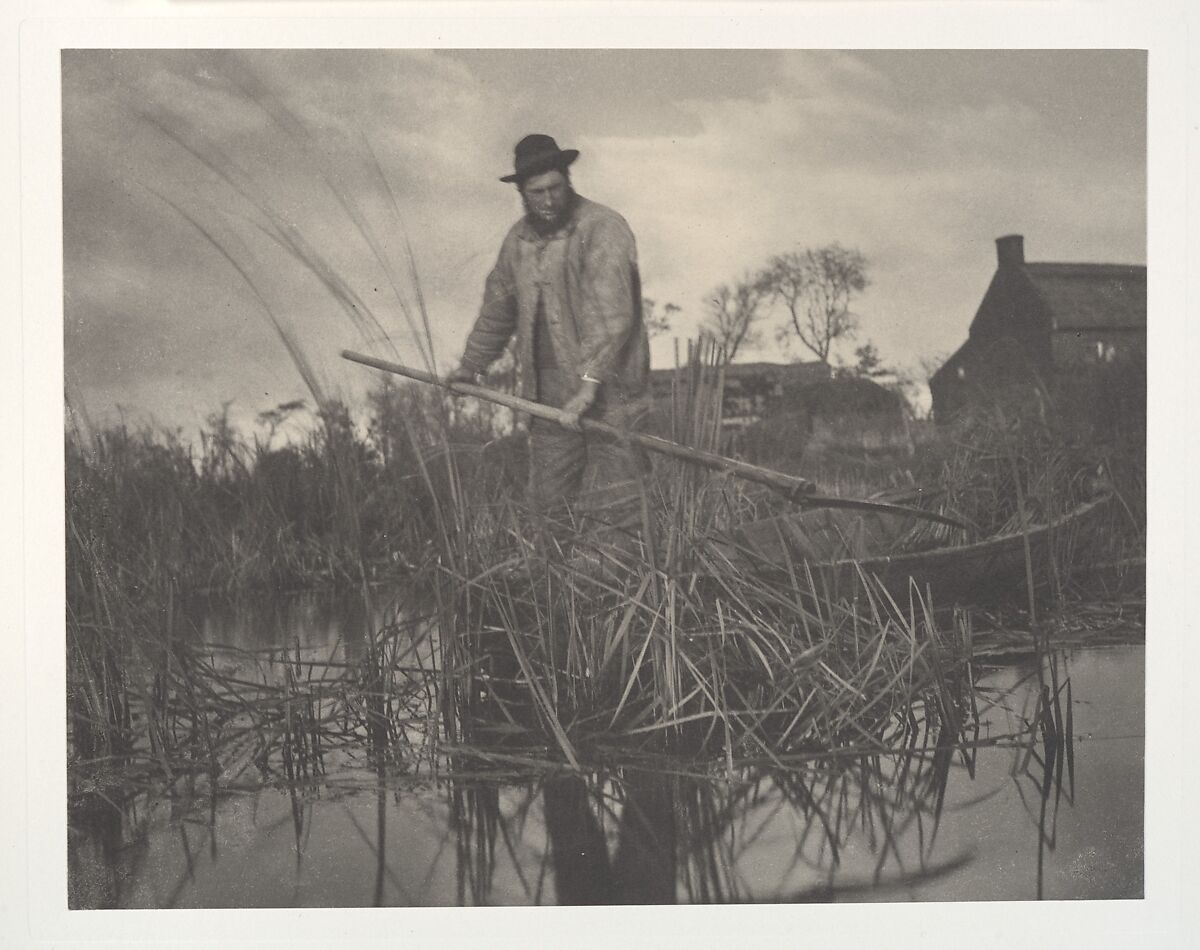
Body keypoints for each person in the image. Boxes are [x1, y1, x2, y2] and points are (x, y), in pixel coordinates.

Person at [447, 134, 652, 528]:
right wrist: (471, 365)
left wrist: (589, 384)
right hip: (546, 394)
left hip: (610, 391)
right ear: (522, 193)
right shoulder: (518, 240)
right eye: (537, 192)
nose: (548, 200)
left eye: (555, 188)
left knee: (619, 506)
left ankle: (622, 582)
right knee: (547, 510)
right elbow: (497, 309)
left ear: (568, 181)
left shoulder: (602, 227)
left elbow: (610, 314)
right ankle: (554, 583)